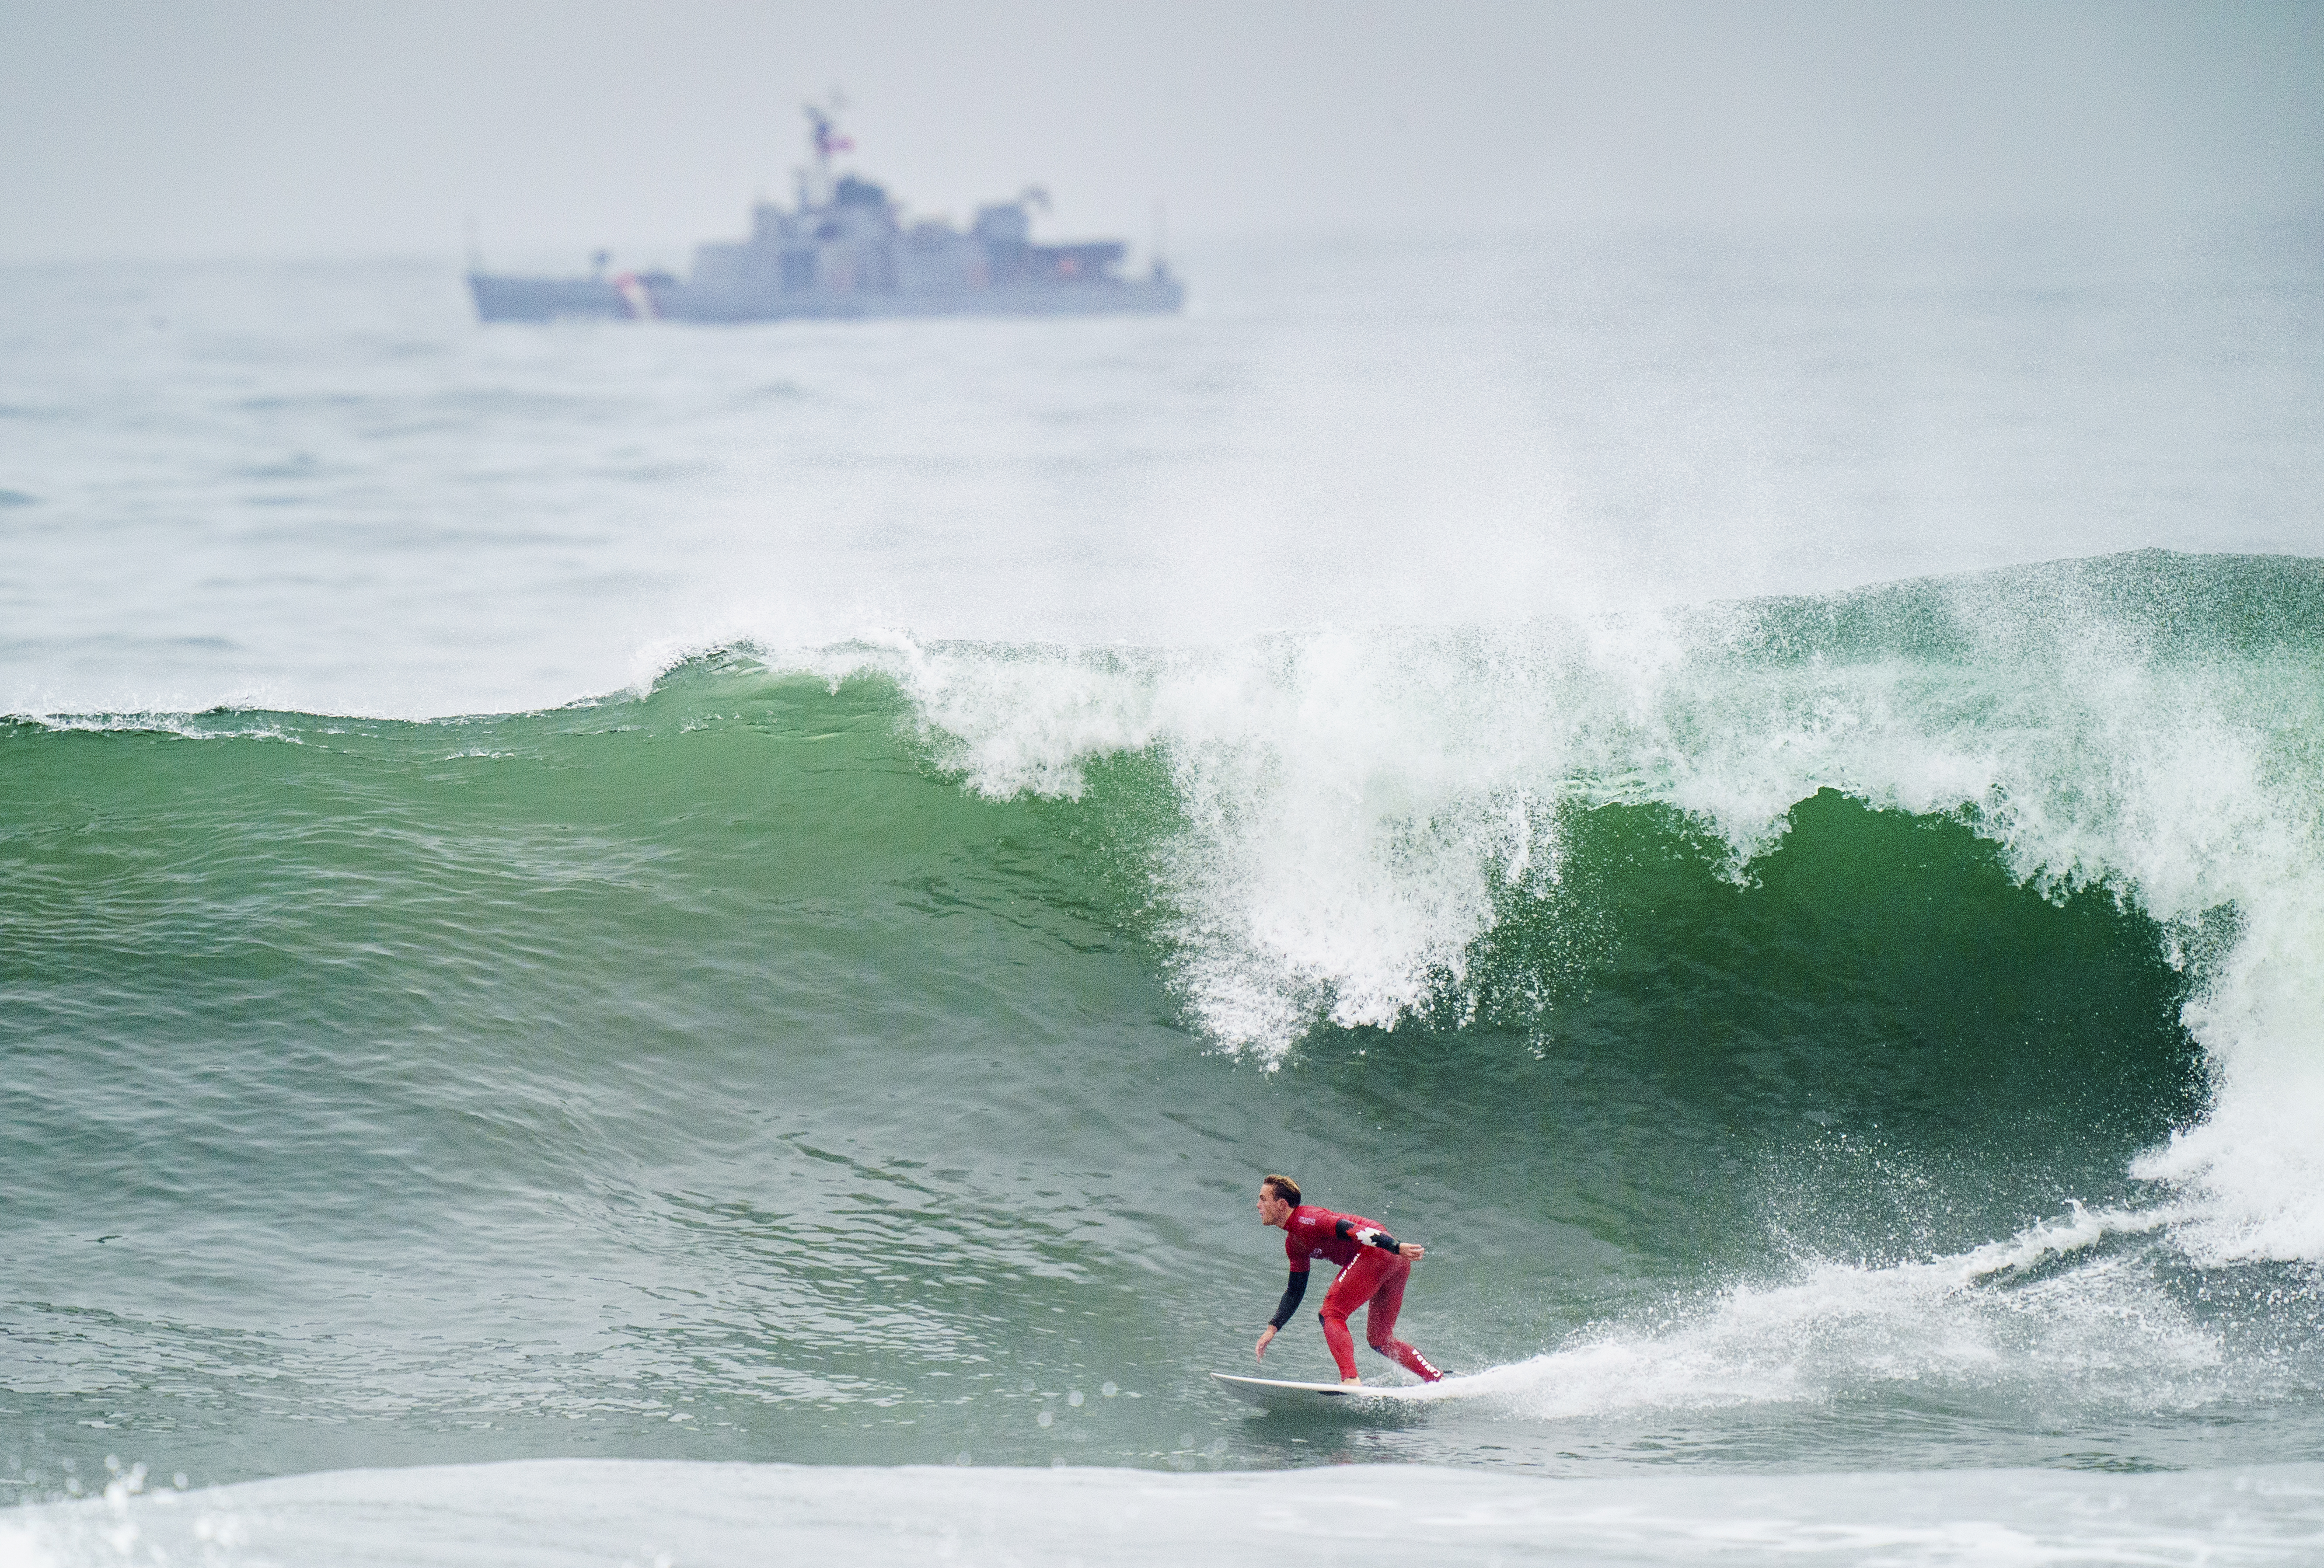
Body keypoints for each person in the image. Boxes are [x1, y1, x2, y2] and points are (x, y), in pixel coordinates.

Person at [1252, 1173, 1444, 1384]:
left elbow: (1349, 1229)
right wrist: (1272, 1329)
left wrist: (1396, 1246)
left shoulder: (1306, 1218)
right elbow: (1295, 1290)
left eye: (1263, 1198)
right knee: (1380, 1339)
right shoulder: (1294, 1243)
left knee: (1331, 1313)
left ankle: (1351, 1379)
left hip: (1381, 1251)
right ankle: (1436, 1379)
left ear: (1281, 1205)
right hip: (1393, 1260)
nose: (1258, 1205)